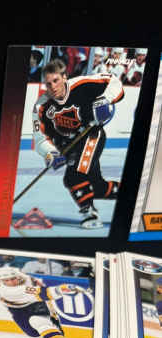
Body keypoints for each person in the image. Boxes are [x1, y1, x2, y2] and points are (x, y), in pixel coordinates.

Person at [32, 58, 124, 229]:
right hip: (68, 145)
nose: (53, 87)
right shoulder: (41, 106)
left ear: (65, 77)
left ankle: (90, 214)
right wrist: (50, 152)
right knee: (96, 187)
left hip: (91, 136)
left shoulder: (82, 84)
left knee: (74, 176)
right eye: (48, 83)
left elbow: (114, 81)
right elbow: (40, 138)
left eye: (56, 80)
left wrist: (105, 99)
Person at [0, 265, 83, 338]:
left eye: (13, 279)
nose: (11, 282)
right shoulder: (8, 290)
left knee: (39, 322)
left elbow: (42, 291)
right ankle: (52, 331)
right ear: (2, 281)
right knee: (33, 334)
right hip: (18, 310)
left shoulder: (23, 278)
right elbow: (46, 293)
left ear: (17, 277)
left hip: (35, 304)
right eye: (7, 280)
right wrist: (65, 288)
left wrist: (52, 313)